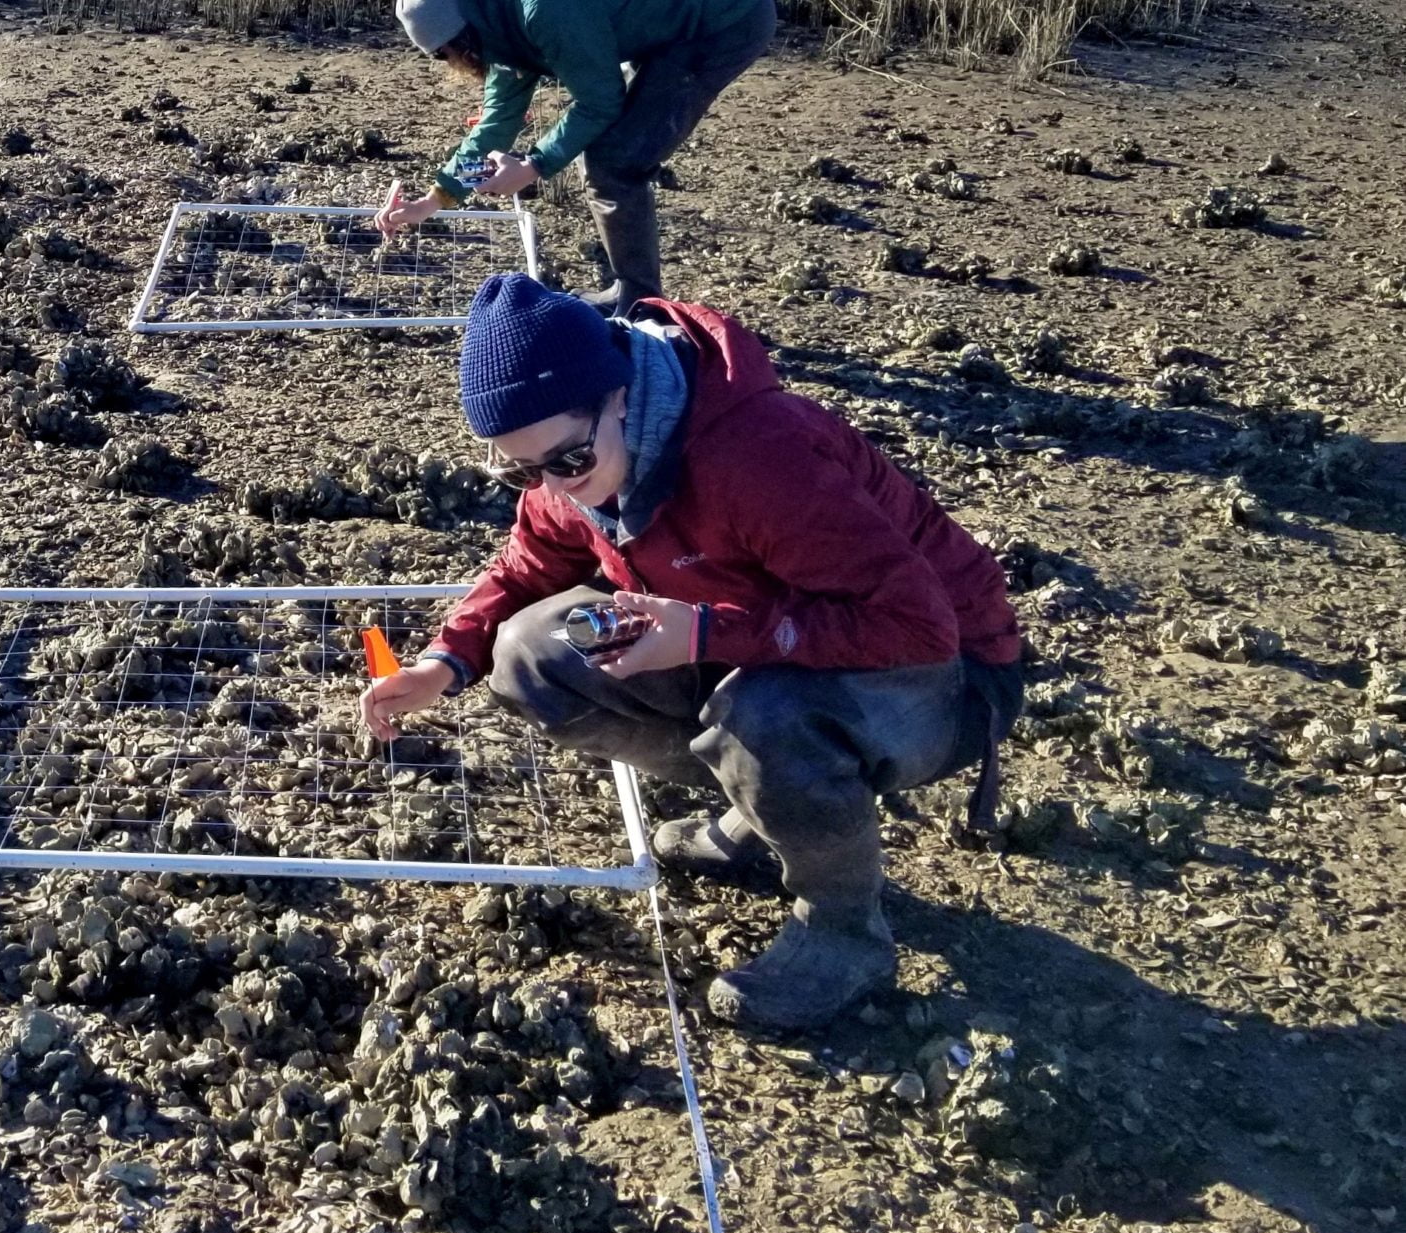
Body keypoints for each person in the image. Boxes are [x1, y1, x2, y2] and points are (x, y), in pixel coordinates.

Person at [359, 272, 1022, 1031]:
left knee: (761, 712)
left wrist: (703, 633)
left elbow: (913, 625)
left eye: (567, 462)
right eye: (519, 469)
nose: (554, 487)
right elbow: (529, 558)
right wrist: (446, 662)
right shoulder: (574, 459)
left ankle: (842, 929)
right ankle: (763, 810)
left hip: (945, 677)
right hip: (760, 634)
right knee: (531, 656)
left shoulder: (757, 455)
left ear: (620, 395)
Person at [373, 0, 777, 317]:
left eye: (442, 55)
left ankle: (640, 305)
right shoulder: (497, 15)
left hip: (724, 17)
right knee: (602, 155)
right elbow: (497, 122)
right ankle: (630, 290)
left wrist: (532, 167)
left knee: (615, 161)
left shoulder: (539, 7)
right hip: (667, 22)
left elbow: (601, 101)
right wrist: (434, 199)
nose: (450, 65)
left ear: (461, 37)